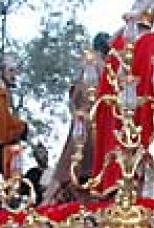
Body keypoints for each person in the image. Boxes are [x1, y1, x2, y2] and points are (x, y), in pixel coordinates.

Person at [90, 0, 154, 197]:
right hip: (137, 112)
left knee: (117, 156)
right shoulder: (152, 40)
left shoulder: (119, 41)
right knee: (133, 157)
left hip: (114, 113)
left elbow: (105, 86)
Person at [47, 32, 111, 204]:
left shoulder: (88, 66)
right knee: (83, 168)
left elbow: (73, 97)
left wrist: (76, 114)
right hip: (93, 125)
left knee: (72, 168)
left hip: (82, 123)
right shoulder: (101, 67)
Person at [0, 55, 29, 181]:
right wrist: (21, 128)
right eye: (10, 71)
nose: (14, 75)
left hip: (6, 154)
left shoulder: (6, 95)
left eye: (15, 71)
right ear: (2, 72)